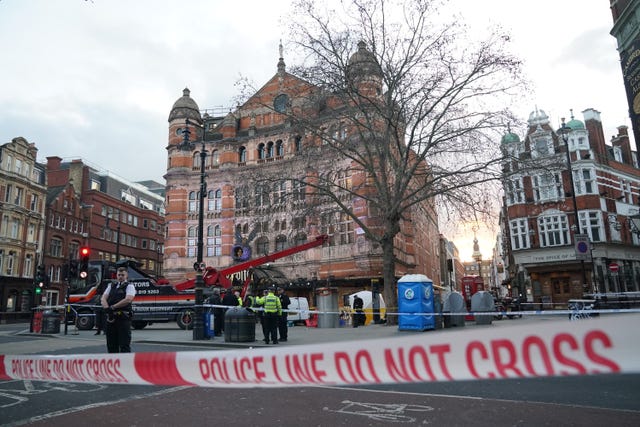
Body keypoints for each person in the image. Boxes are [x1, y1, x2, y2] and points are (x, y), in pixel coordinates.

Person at [101, 267, 136, 353]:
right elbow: (103, 298)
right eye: (119, 275)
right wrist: (106, 308)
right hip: (111, 318)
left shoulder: (129, 286)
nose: (120, 277)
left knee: (124, 344)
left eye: (122, 275)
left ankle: (125, 364)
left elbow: (128, 299)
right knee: (111, 344)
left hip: (123, 319)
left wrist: (113, 307)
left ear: (126, 275)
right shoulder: (111, 285)